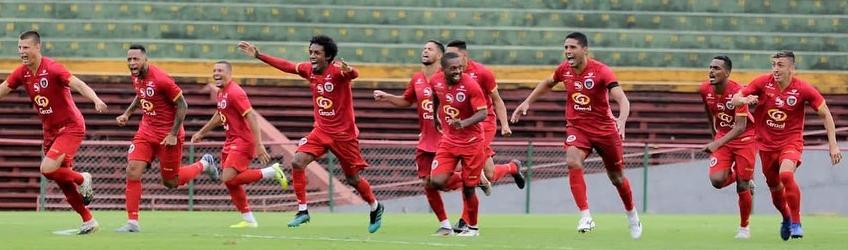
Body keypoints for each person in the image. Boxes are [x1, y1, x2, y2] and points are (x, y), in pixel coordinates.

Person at [238, 35, 384, 233]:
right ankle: (302, 210)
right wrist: (259, 55)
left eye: (317, 53)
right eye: (311, 52)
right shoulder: (309, 70)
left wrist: (350, 70)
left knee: (352, 179)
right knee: (298, 161)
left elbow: (353, 75)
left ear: (329, 56)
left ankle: (375, 206)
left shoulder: (338, 73)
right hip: (321, 131)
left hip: (344, 136)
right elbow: (287, 66)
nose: (312, 56)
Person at [510, 32, 642, 239]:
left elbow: (622, 99)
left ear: (584, 50)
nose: (568, 52)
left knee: (617, 178)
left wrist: (622, 119)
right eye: (565, 48)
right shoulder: (564, 70)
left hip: (605, 131)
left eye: (572, 47)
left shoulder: (601, 71)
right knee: (572, 161)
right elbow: (548, 82)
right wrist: (527, 102)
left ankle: (632, 214)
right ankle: (585, 215)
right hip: (577, 128)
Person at [0, 30, 106, 234]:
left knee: (47, 169)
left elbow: (78, 84)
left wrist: (96, 99)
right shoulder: (22, 72)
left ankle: (83, 178)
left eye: (26, 47)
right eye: (19, 48)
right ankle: (88, 221)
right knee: (61, 179)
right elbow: (4, 88)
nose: (21, 52)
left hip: (70, 126)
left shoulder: (52, 68)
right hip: (50, 131)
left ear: (37, 47)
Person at [732, 50, 842, 240]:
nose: (775, 69)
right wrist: (744, 100)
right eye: (773, 65)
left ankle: (797, 223)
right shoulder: (762, 83)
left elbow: (826, 114)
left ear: (792, 68)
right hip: (766, 146)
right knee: (775, 191)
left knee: (786, 174)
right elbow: (735, 98)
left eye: (780, 65)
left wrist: (833, 145)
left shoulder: (803, 89)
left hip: (791, 142)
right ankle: (786, 217)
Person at [115, 44, 219, 233]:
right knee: (132, 171)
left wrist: (172, 134)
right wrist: (127, 114)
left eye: (135, 59)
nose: (131, 63)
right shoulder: (136, 76)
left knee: (170, 182)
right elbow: (141, 95)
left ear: (146, 60)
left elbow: (183, 105)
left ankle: (204, 163)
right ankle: (132, 222)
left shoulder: (161, 79)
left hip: (168, 135)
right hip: (146, 132)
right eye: (129, 59)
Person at [373, 40, 464, 236]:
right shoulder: (417, 79)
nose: (425, 51)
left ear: (439, 56)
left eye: (429, 49)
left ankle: (472, 179)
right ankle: (446, 225)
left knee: (439, 181)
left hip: (445, 139)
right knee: (427, 184)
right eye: (424, 48)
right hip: (425, 140)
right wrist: (387, 96)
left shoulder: (447, 78)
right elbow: (406, 100)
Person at [190, 61, 288, 228]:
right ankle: (249, 220)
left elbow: (252, 117)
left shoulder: (235, 92)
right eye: (214, 70)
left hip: (242, 141)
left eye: (220, 70)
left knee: (227, 177)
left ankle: (272, 171)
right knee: (230, 182)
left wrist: (259, 145)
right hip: (231, 141)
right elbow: (219, 114)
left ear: (229, 73)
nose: (216, 73)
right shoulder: (222, 93)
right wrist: (202, 132)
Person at [429, 52, 489, 237]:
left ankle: (473, 228)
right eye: (453, 68)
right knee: (436, 181)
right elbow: (436, 96)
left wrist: (463, 123)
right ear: (443, 69)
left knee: (469, 189)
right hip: (449, 140)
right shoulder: (436, 80)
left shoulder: (471, 85)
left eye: (460, 67)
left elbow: (483, 113)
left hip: (471, 142)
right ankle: (474, 178)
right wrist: (435, 116)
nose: (458, 71)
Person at [698, 56, 756, 239]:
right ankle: (741, 176)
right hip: (723, 137)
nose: (711, 71)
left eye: (716, 68)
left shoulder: (738, 93)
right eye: (710, 67)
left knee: (742, 186)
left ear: (727, 73)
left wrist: (716, 143)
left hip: (745, 138)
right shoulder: (704, 89)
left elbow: (740, 127)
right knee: (716, 181)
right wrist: (713, 135)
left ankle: (744, 228)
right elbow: (709, 111)